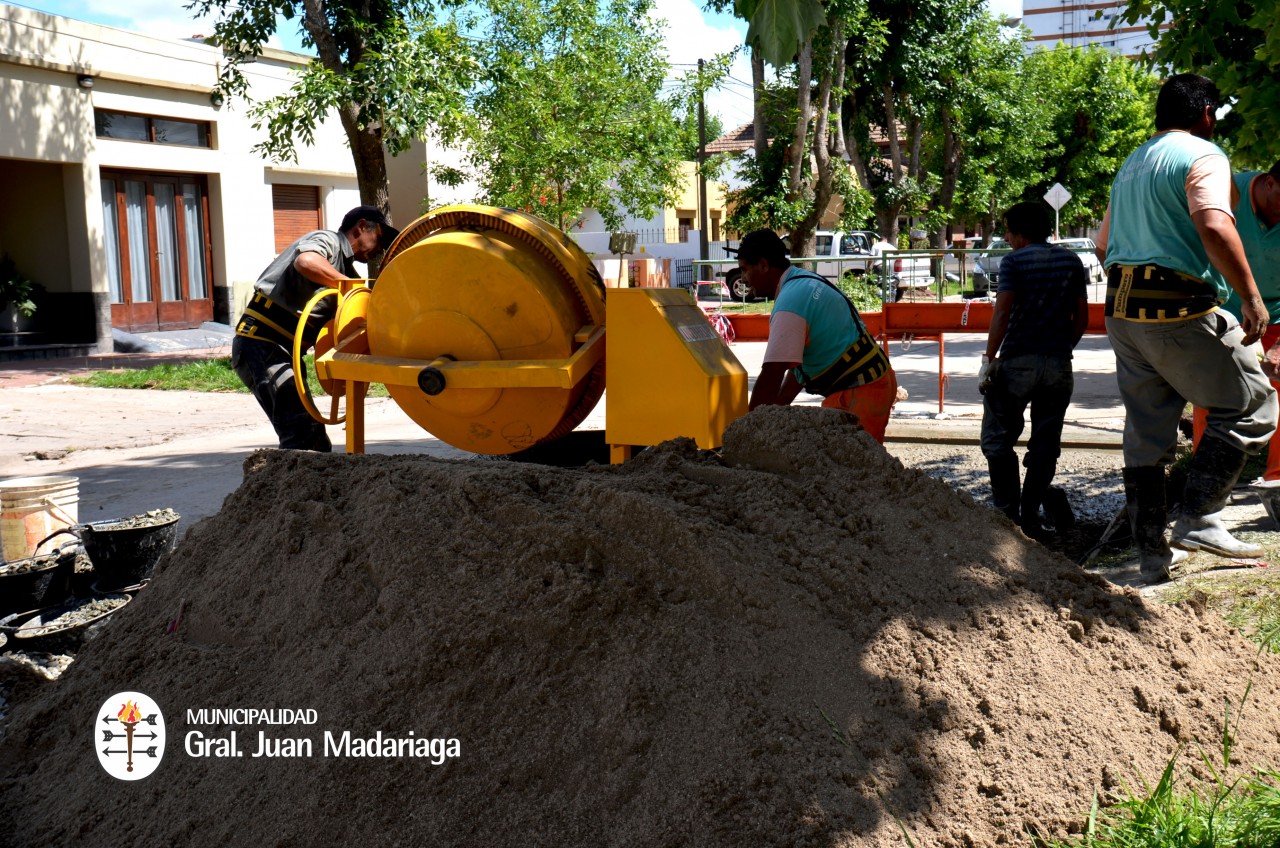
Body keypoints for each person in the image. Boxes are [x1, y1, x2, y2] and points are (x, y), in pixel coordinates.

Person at [1095, 73, 1278, 581]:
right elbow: (1215, 224)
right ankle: (1199, 517)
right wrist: (1250, 297)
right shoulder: (1204, 154)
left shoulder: (1132, 164)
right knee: (1254, 403)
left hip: (1122, 311)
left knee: (1147, 434)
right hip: (1175, 306)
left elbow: (1103, 245)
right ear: (1207, 115)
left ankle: (1152, 556)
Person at [231, 205, 399, 451]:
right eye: (380, 238)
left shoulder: (345, 271)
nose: (381, 249)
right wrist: (348, 286)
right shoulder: (328, 241)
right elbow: (306, 261)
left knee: (315, 437)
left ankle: (306, 486)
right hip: (261, 342)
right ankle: (283, 487)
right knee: (300, 433)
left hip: (285, 351)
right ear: (362, 227)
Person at [979, 201, 1089, 534]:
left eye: (1008, 232)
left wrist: (989, 358)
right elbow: (1081, 319)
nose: (1007, 239)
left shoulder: (1013, 262)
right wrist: (1059, 348)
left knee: (997, 440)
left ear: (1018, 233)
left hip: (1017, 362)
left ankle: (1008, 515)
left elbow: (1001, 313)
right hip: (1058, 366)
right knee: (1045, 444)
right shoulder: (1071, 261)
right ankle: (1030, 515)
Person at [738, 229, 898, 442]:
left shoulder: (790, 303)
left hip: (858, 391)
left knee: (847, 469)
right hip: (873, 381)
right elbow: (797, 373)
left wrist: (749, 432)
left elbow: (772, 374)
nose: (743, 278)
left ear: (764, 265)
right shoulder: (803, 282)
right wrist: (774, 413)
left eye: (745, 270)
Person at [1186, 162, 1280, 524]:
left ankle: (1276, 480)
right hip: (1223, 309)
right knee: (1214, 397)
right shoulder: (1226, 192)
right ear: (1270, 184)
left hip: (1278, 313)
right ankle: (1206, 492)